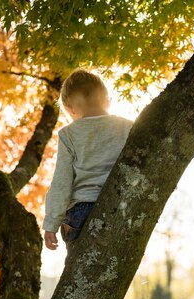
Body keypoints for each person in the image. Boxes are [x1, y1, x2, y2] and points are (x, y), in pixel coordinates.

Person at [42, 69, 133, 251]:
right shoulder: (127, 127)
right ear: (107, 99)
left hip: (81, 212)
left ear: (69, 107)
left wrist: (51, 222)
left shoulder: (69, 134)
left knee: (80, 272)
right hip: (120, 204)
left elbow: (62, 180)